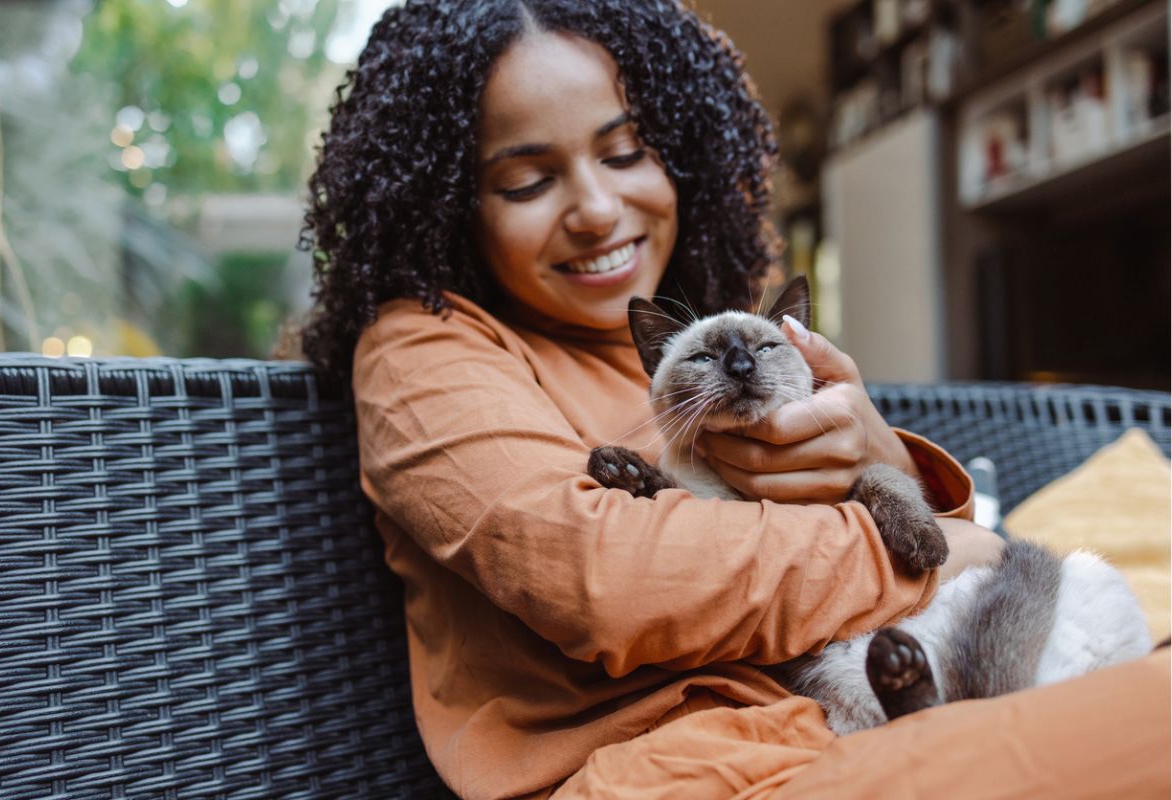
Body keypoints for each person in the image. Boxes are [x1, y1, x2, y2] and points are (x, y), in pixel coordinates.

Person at [299, 1, 1170, 798]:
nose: (599, 209)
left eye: (627, 150)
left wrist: (883, 458)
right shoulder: (426, 344)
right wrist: (939, 550)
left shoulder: (715, 342)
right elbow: (605, 580)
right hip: (686, 770)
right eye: (527, 181)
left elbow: (920, 550)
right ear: (452, 205)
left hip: (859, 718)